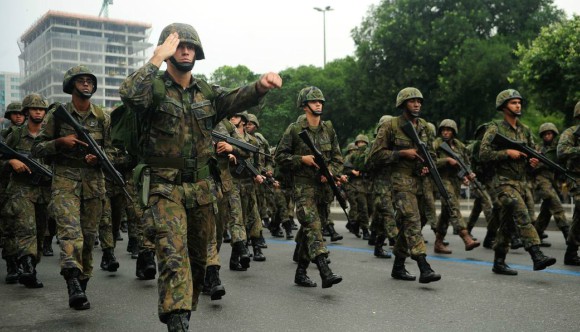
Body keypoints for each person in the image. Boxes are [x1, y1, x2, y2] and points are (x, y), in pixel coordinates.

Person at [119, 23, 281, 331]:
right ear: (168, 51)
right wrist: (156, 58)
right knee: (172, 255)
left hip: (202, 189)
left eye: (190, 46)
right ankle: (177, 321)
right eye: (178, 46)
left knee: (196, 259)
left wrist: (260, 85)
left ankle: (182, 311)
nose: (185, 50)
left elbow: (237, 99)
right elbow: (129, 95)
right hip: (163, 188)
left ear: (198, 53)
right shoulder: (153, 89)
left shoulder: (207, 92)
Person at [32, 65, 111, 310]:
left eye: (90, 81)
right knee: (69, 233)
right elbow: (36, 149)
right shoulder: (57, 115)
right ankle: (72, 280)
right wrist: (59, 142)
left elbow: (116, 152)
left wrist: (99, 158)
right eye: (81, 81)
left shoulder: (103, 117)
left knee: (88, 238)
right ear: (71, 85)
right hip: (65, 180)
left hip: (93, 183)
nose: (86, 84)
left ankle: (82, 280)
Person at [367, 87, 441, 284]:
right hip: (399, 180)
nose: (417, 104)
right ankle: (424, 265)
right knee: (412, 219)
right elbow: (374, 156)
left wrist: (427, 167)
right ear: (402, 104)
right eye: (412, 101)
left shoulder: (425, 127)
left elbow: (432, 155)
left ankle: (398, 266)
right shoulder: (391, 126)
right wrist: (400, 154)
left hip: (420, 181)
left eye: (419, 101)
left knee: (417, 219)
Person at [479, 89, 556, 275]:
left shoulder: (526, 131)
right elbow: (483, 154)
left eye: (519, 102)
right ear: (504, 107)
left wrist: (533, 162)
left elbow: (530, 159)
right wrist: (507, 153)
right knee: (522, 213)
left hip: (521, 184)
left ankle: (499, 261)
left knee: (507, 224)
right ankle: (536, 254)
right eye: (513, 103)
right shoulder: (495, 129)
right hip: (503, 183)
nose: (518, 105)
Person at [275, 86, 344, 289]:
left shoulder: (329, 129)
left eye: (320, 101)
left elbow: (339, 158)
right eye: (314, 101)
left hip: (323, 189)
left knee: (311, 230)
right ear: (304, 106)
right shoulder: (295, 130)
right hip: (303, 188)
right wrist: (301, 159)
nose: (318, 104)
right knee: (313, 227)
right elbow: (279, 156)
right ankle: (325, 270)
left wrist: (330, 171)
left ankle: (301, 272)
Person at [1, 94, 51, 288]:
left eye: (41, 109)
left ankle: (31, 264)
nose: (38, 111)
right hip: (20, 189)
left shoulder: (50, 135)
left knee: (40, 230)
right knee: (25, 228)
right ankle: (27, 267)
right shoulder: (14, 135)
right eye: (34, 108)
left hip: (44, 191)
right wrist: (11, 162)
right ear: (26, 111)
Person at [433, 119, 480, 254]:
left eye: (449, 130)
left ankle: (438, 242)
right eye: (443, 130)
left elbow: (464, 163)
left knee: (447, 213)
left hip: (455, 182)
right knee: (453, 206)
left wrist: (467, 175)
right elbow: (430, 161)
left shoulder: (459, 146)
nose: (446, 132)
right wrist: (446, 160)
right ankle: (466, 238)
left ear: (454, 132)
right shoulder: (436, 144)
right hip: (442, 180)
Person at [533, 123, 570, 245]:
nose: (547, 136)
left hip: (554, 180)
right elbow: (531, 166)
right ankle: (567, 234)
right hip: (541, 179)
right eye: (545, 134)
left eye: (550, 134)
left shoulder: (559, 148)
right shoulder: (538, 149)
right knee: (555, 203)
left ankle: (536, 235)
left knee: (546, 210)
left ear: (554, 135)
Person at [1, 101, 24, 284]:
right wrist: (9, 163)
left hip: (27, 188)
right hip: (6, 187)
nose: (18, 116)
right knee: (10, 228)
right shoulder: (5, 137)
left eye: (21, 113)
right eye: (14, 114)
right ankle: (12, 264)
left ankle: (26, 262)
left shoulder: (32, 134)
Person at [557, 101, 580, 266]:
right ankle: (571, 251)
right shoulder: (571, 133)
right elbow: (562, 152)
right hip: (576, 178)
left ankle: (571, 251)